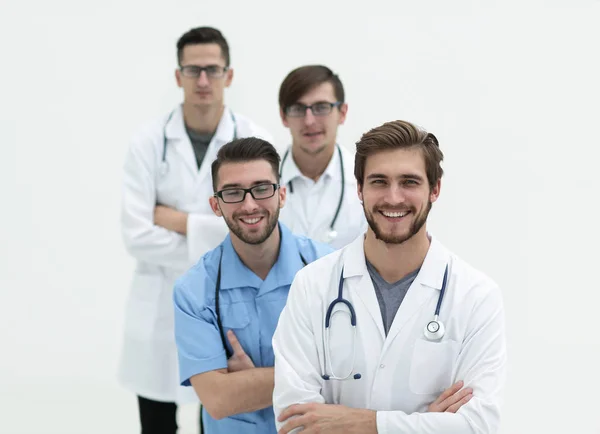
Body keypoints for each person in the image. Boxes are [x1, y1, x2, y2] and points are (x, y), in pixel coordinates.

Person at [272, 120, 507, 434]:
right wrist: (428, 422)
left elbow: (479, 426)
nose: (393, 197)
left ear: (435, 189)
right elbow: (295, 423)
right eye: (379, 182)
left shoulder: (476, 297)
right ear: (359, 189)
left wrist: (365, 424)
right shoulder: (312, 286)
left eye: (409, 182)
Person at [117, 26, 272, 434]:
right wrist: (217, 230)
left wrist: (179, 221)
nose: (203, 80)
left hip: (227, 302)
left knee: (218, 414)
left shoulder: (254, 138)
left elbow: (260, 226)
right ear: (178, 76)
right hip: (159, 307)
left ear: (229, 75)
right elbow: (136, 235)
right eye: (193, 70)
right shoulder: (148, 142)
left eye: (212, 70)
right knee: (156, 421)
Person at [172, 137, 334, 433]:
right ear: (215, 205)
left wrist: (252, 381)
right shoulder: (194, 291)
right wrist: (313, 375)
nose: (249, 205)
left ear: (281, 195)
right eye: (233, 192)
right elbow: (218, 399)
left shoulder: (327, 269)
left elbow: (357, 375)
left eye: (261, 189)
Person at [277, 65, 367, 249]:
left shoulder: (366, 181)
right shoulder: (261, 182)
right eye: (298, 109)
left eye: (321, 107)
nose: (309, 121)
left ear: (342, 113)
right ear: (283, 117)